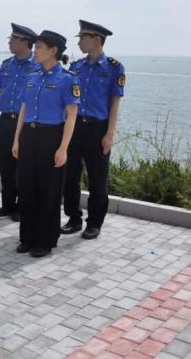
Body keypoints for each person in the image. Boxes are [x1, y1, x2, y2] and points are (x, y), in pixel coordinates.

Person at [12, 30, 79, 258]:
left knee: (49, 191)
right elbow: (23, 108)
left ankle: (46, 240)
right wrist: (17, 139)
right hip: (29, 137)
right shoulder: (32, 76)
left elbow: (71, 115)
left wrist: (63, 148)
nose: (35, 50)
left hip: (52, 137)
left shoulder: (67, 79)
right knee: (27, 188)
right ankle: (27, 237)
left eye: (39, 47)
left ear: (54, 51)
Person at [61, 20, 125, 239]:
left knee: (97, 179)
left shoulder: (114, 68)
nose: (79, 42)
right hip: (75, 126)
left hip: (98, 129)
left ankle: (94, 223)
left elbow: (115, 102)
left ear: (97, 40)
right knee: (70, 176)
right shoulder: (76, 67)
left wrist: (109, 133)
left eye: (83, 38)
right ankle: (74, 218)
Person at [0, 23, 40, 222]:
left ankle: (22, 206)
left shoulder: (36, 66)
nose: (10, 42)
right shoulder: (6, 64)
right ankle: (7, 204)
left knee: (23, 166)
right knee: (6, 163)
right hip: (6, 121)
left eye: (13, 39)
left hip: (25, 123)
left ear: (25, 43)